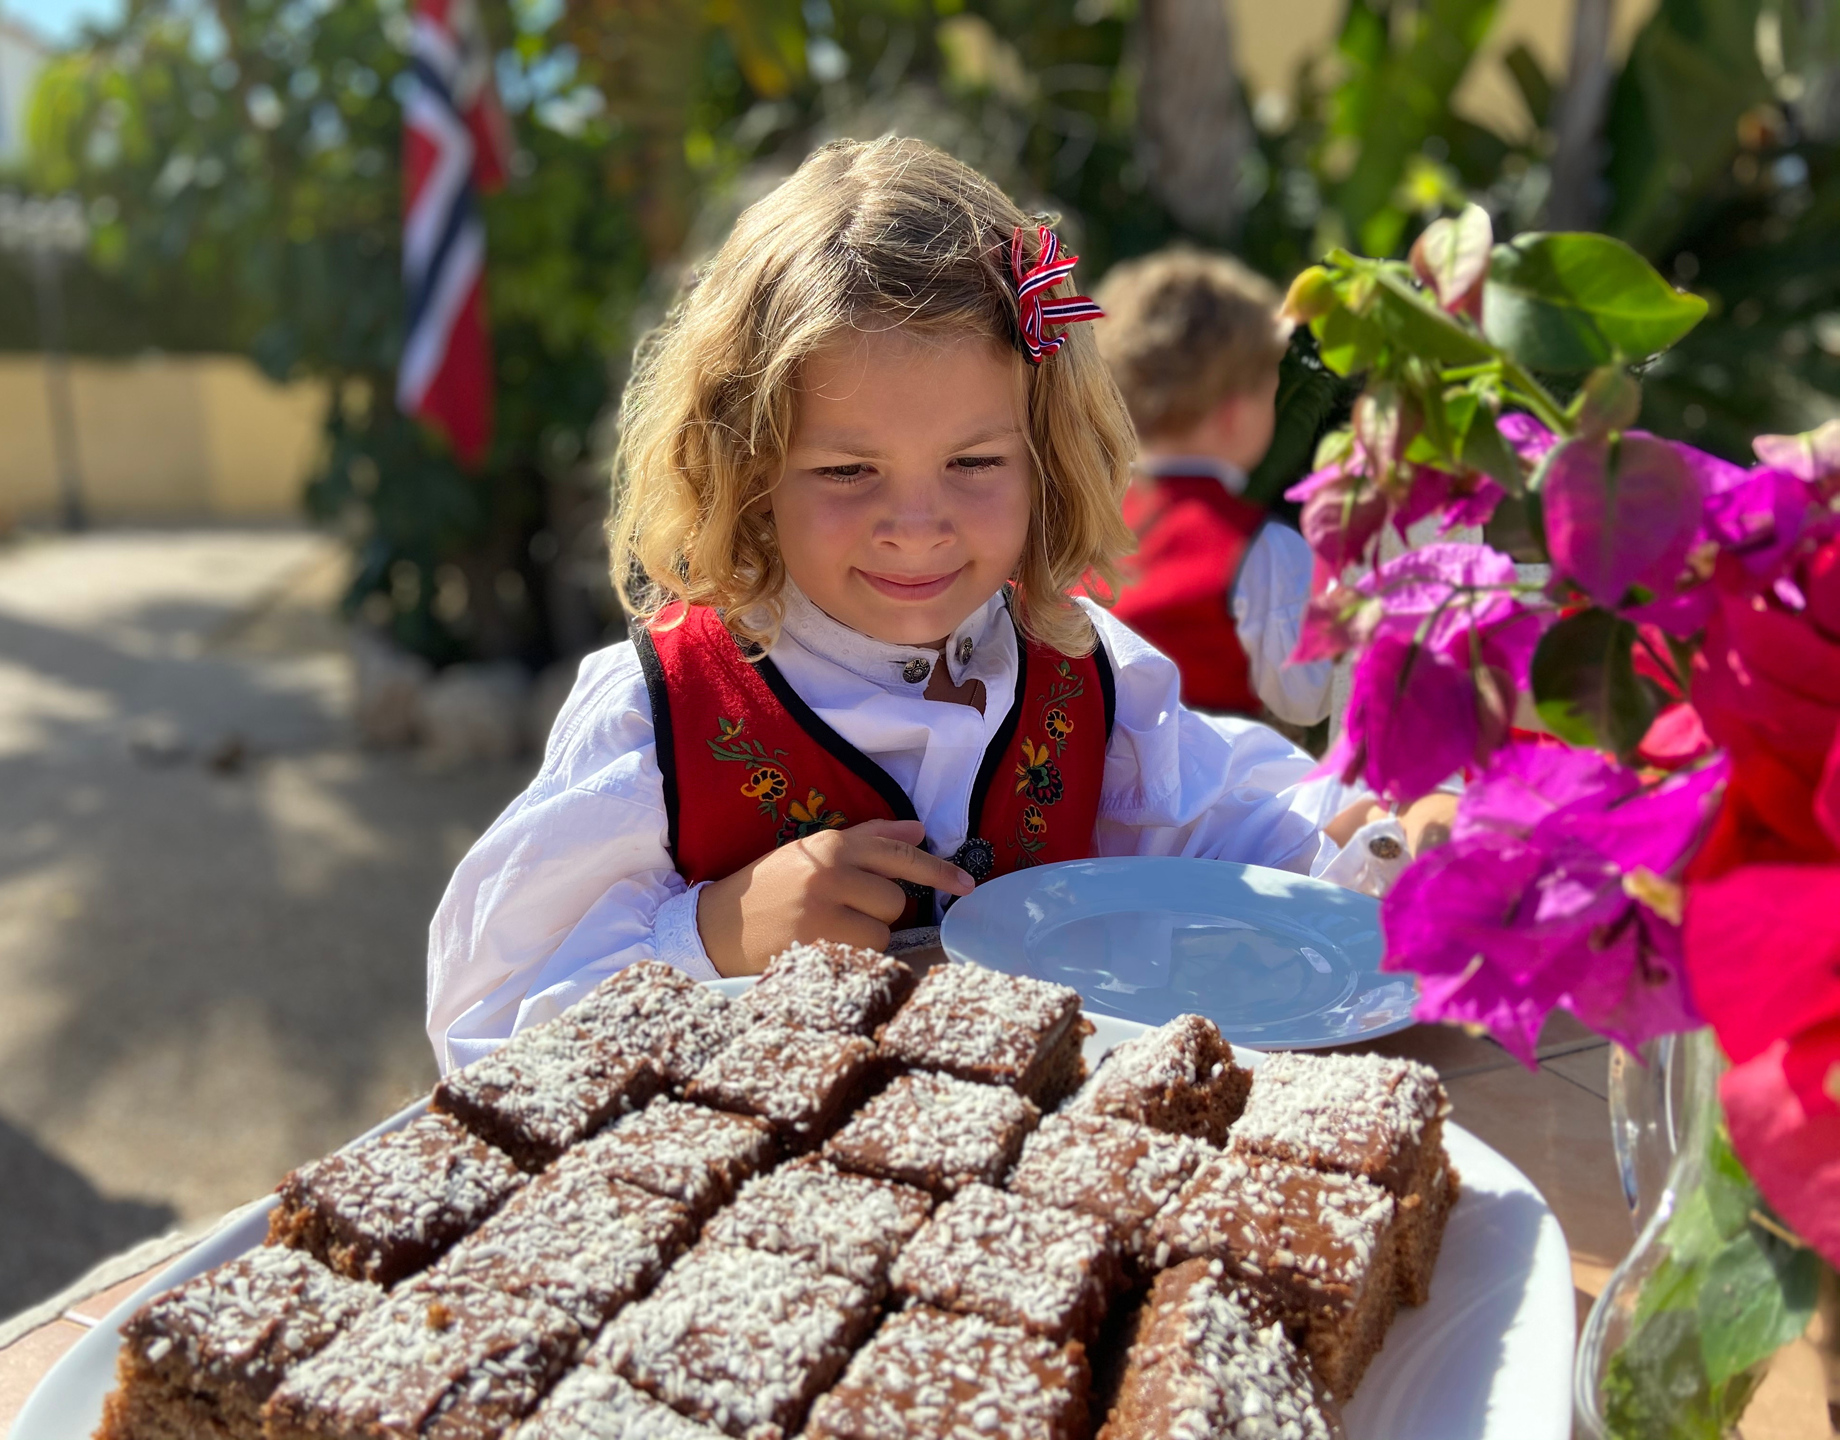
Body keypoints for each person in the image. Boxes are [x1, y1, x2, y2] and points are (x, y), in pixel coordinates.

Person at [424, 138, 1384, 1073]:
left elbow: (1240, 838)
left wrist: (1379, 831)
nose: (916, 527)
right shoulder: (659, 716)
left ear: (1046, 457)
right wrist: (707, 936)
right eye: (848, 470)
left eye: (973, 463)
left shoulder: (1086, 672)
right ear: (747, 468)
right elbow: (487, 1027)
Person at [1094, 249, 1333, 727]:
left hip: (1070, 787)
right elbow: (1307, 698)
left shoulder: (1074, 523)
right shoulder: (1257, 546)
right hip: (1203, 792)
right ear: (1234, 413)